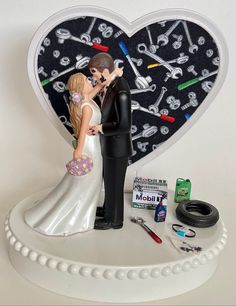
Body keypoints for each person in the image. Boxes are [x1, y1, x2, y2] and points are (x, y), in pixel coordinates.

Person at [24, 69, 121, 236]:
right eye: (87, 81)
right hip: (89, 147)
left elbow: (99, 85)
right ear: (80, 86)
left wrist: (113, 75)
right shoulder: (87, 107)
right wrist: (78, 150)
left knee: (89, 182)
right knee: (86, 181)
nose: (91, 81)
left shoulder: (86, 99)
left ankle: (83, 214)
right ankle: (77, 218)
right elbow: (82, 132)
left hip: (94, 144)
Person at [88, 53, 133, 230]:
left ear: (105, 70)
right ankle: (108, 210)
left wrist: (101, 128)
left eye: (94, 73)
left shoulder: (120, 90)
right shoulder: (111, 85)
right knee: (109, 182)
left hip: (118, 147)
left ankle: (114, 220)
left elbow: (124, 125)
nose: (93, 77)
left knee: (115, 184)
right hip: (110, 145)